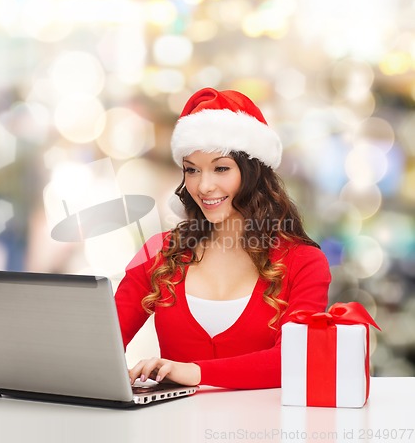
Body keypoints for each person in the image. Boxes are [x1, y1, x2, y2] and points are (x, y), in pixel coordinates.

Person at [115, 87, 331, 390]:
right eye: (192, 170)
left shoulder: (304, 262)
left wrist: (194, 372)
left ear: (253, 172)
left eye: (221, 168)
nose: (204, 186)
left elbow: (295, 360)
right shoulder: (159, 251)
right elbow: (103, 343)